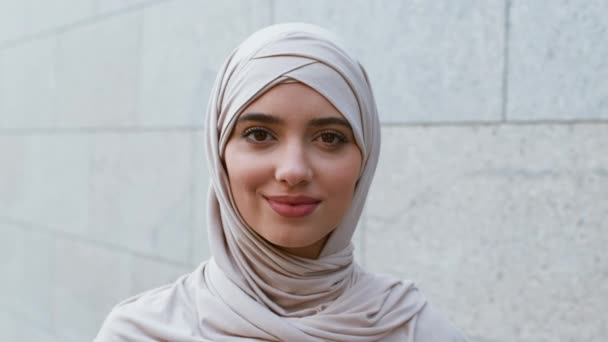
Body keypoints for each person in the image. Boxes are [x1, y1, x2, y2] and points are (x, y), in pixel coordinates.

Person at [96, 23, 468, 341]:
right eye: (259, 134)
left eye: (330, 138)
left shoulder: (415, 330)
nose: (293, 170)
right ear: (219, 152)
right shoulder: (142, 333)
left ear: (365, 160)